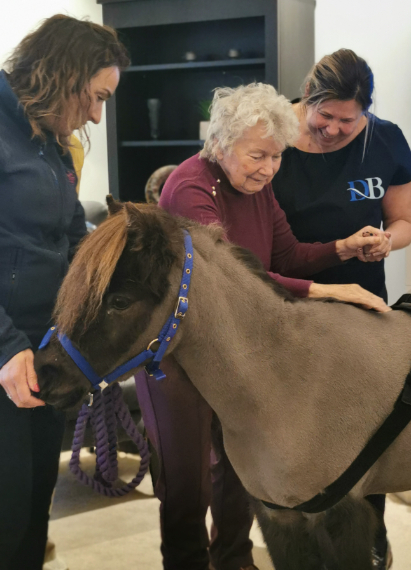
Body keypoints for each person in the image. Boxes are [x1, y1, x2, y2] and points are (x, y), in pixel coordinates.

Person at [135, 82, 390, 570]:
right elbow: (232, 276)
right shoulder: (189, 187)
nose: (268, 169)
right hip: (178, 353)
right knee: (187, 482)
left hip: (234, 350)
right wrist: (328, 290)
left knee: (241, 470)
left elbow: (288, 254)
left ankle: (234, 559)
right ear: (223, 143)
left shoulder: (259, 187)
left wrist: (344, 247)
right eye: (258, 155)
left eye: (276, 157)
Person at [272, 48, 411, 569]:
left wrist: (387, 242)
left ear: (366, 112)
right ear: (308, 95)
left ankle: (369, 537)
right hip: (289, 302)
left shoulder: (387, 139)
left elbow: (404, 220)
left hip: (360, 306)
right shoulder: (272, 137)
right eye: (322, 115)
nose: (331, 129)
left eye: (347, 122)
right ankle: (298, 540)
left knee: (365, 423)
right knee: (297, 430)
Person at [0, 15, 129, 570]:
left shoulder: (50, 141)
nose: (97, 115)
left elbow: (74, 233)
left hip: (45, 346)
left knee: (33, 504)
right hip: (7, 349)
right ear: (63, 75)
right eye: (96, 97)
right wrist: (6, 347)